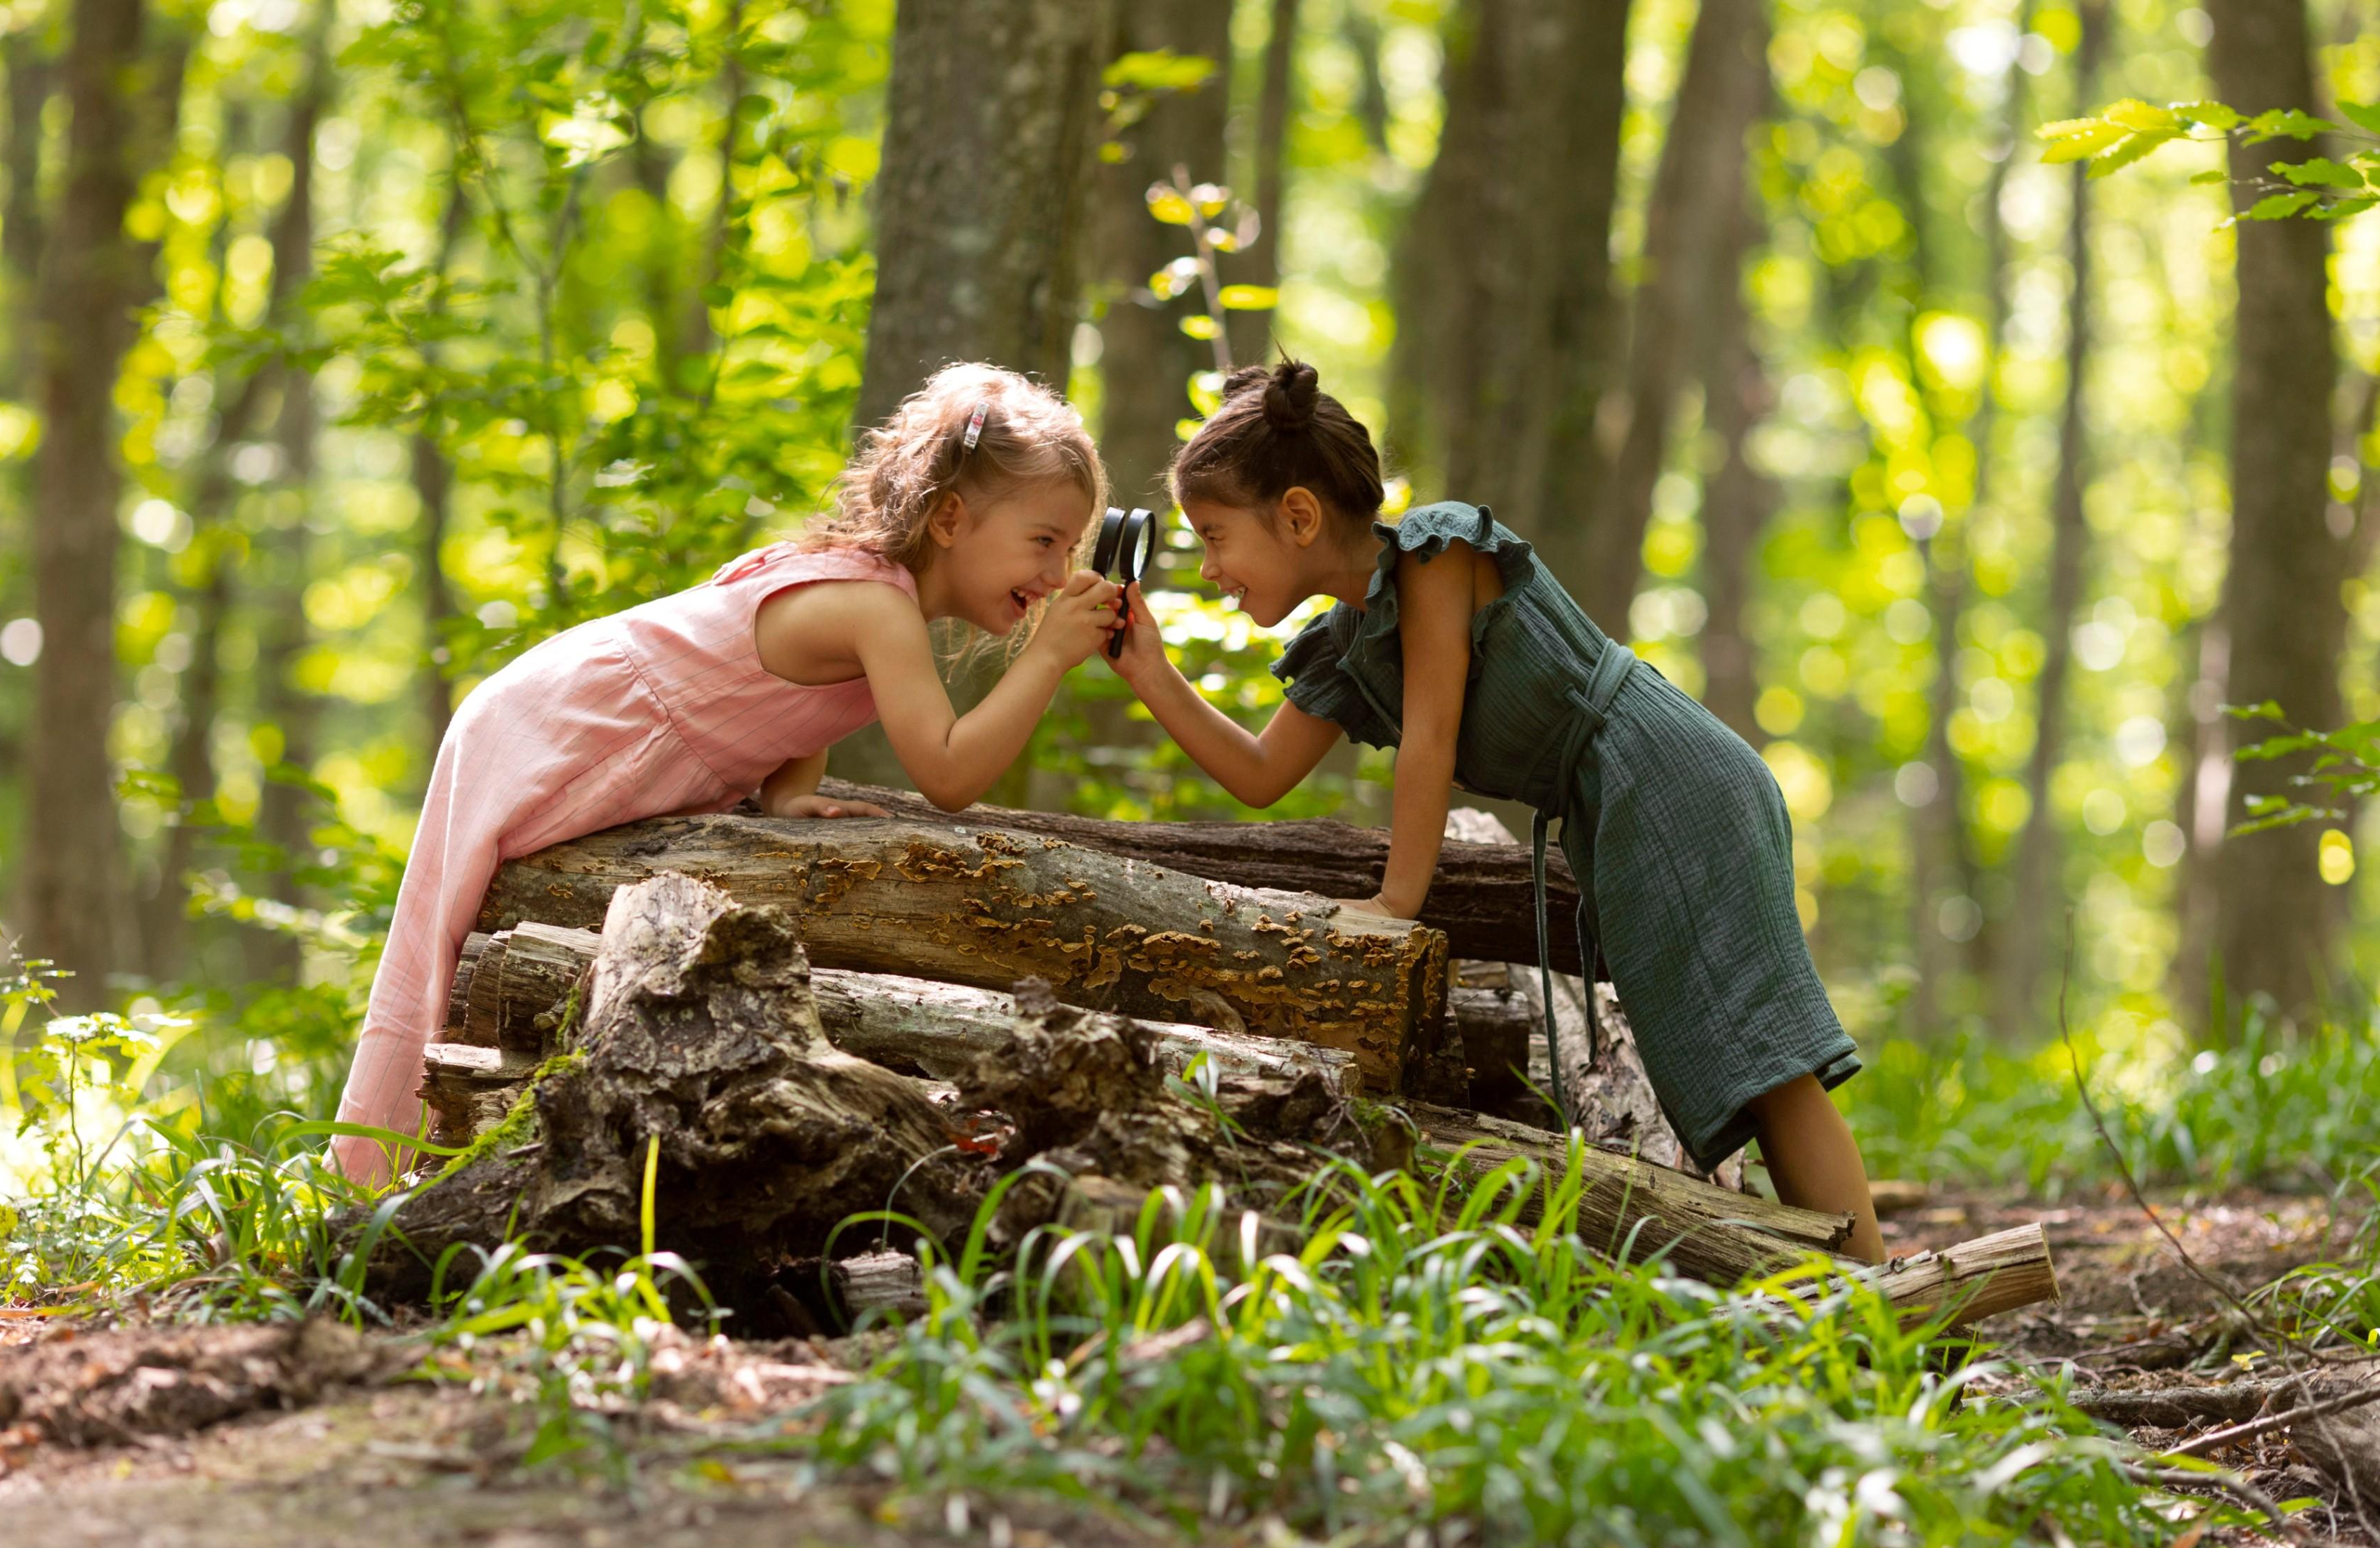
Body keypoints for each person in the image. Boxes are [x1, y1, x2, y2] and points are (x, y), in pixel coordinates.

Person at [1104, 360, 1886, 1262]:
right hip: (1623, 800)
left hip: (1668, 777)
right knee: (1745, 1073)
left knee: (1767, 1068)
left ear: (1299, 516)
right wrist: (1150, 672)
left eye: (1214, 536)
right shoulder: (1353, 638)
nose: (1209, 569)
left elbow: (1430, 738)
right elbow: (1259, 771)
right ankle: (1854, 1302)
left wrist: (1398, 904)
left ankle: (1883, 1309)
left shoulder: (1439, 553)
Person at [329, 364, 1120, 1186]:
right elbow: (950, 773)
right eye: (1044, 542)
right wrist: (1052, 656)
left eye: (1070, 549)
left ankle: (385, 1166)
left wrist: (786, 790)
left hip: (564, 710)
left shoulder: (873, 595)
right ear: (951, 519)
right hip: (571, 722)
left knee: (441, 939)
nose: (1060, 574)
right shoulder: (877, 606)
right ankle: (375, 1172)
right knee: (437, 946)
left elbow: (793, 689)